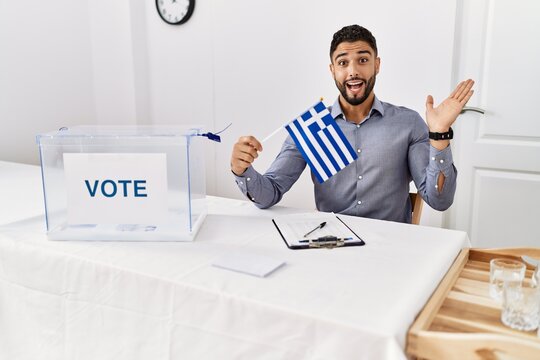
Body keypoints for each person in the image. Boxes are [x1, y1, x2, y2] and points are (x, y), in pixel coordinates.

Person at [230, 25, 474, 223]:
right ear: (332, 70)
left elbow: (439, 201)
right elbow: (269, 194)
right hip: (330, 246)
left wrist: (439, 135)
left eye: (363, 60)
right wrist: (242, 170)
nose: (353, 71)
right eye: (343, 63)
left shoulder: (408, 123)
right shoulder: (312, 127)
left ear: (376, 65)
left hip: (392, 250)